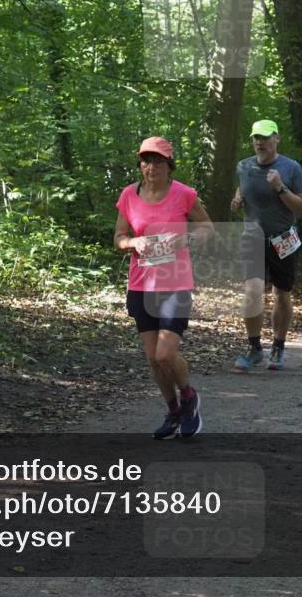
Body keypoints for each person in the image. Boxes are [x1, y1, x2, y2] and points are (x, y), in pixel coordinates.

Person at [114, 137, 213, 438]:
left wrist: (188, 239)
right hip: (141, 284)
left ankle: (189, 397)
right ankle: (173, 411)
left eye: (158, 161)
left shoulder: (184, 194)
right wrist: (133, 241)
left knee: (164, 355)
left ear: (169, 165)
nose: (151, 166)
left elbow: (207, 228)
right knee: (151, 358)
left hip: (176, 284)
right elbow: (118, 236)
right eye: (145, 160)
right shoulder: (129, 195)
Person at [231, 119, 302, 371]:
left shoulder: (291, 168)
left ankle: (278, 345)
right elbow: (242, 191)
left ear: (277, 138)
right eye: (256, 138)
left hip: (283, 238)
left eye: (264, 137)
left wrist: (280, 188)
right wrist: (237, 199)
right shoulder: (243, 166)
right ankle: (254, 348)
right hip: (251, 237)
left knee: (281, 294)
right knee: (253, 291)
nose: (259, 142)